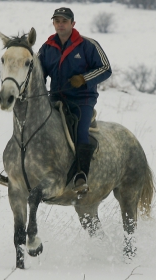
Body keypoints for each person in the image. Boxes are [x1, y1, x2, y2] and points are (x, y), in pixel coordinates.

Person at [38, 7, 112, 193]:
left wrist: (84, 79)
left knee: (80, 132)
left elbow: (105, 68)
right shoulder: (47, 47)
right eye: (57, 21)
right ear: (53, 23)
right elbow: (38, 72)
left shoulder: (88, 45)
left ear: (73, 23)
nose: (60, 24)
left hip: (82, 99)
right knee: (34, 125)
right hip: (55, 98)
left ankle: (81, 175)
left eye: (64, 21)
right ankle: (26, 173)